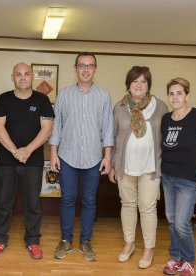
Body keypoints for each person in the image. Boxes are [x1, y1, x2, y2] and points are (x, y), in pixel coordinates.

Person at [49, 51, 113, 262]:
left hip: (94, 158)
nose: (86, 69)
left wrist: (107, 156)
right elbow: (56, 125)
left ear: (95, 69)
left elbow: (108, 127)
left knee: (89, 201)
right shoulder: (64, 94)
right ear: (75, 68)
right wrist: (53, 153)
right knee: (67, 199)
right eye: (82, 65)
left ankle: (86, 242)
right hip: (67, 156)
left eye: (90, 65)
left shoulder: (103, 95)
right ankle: (66, 241)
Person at [0, 62, 54, 259]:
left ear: (32, 76)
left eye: (26, 74)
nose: (23, 77)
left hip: (33, 162)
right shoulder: (4, 99)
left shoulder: (42, 100)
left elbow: (47, 129)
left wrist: (28, 150)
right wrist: (16, 151)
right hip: (7, 162)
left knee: (33, 203)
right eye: (18, 74)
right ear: (12, 77)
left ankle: (33, 241)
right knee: (3, 203)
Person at [108, 66, 168, 269]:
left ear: (148, 84)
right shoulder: (119, 107)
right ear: (128, 85)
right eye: (135, 81)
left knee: (148, 208)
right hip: (125, 166)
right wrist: (114, 165)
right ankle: (129, 244)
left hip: (151, 167)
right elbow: (114, 138)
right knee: (127, 205)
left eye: (143, 81)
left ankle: (149, 248)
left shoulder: (160, 106)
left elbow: (168, 136)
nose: (139, 85)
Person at [161, 77, 196, 276]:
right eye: (171, 93)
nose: (175, 97)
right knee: (172, 220)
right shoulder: (166, 119)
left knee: (182, 223)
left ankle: (189, 260)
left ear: (187, 95)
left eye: (179, 93)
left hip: (189, 179)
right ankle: (175, 258)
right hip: (168, 177)